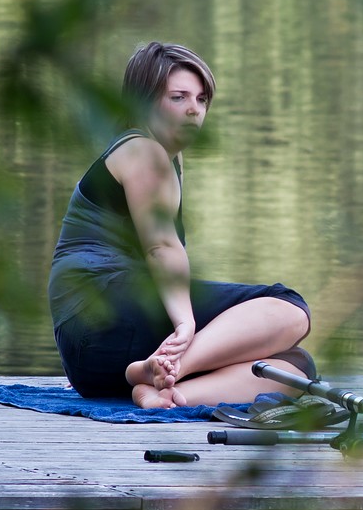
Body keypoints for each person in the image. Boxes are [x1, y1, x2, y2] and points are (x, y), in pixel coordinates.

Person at [48, 41, 315, 409]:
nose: (194, 110)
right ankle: (173, 366)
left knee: (294, 369)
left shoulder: (164, 160)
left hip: (92, 361)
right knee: (289, 308)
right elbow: (161, 248)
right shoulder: (142, 149)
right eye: (179, 97)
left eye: (202, 99)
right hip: (103, 309)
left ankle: (167, 391)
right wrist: (186, 325)